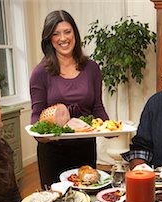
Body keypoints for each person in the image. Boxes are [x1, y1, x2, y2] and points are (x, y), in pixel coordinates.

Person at [30, 10, 109, 186]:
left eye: (67, 31)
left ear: (75, 33)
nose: (63, 38)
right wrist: (41, 136)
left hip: (85, 147)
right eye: (56, 34)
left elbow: (97, 107)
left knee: (86, 200)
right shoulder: (40, 73)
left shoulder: (92, 68)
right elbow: (36, 115)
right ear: (49, 39)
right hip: (52, 150)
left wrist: (109, 128)